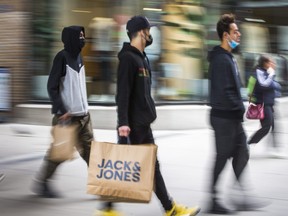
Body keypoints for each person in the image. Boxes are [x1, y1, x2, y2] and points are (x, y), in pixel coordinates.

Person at [95, 15, 201, 216]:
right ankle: (108, 210)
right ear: (141, 32)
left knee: (149, 167)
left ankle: (169, 209)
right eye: (148, 30)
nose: (151, 34)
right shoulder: (128, 59)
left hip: (143, 123)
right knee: (123, 168)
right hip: (132, 125)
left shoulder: (142, 58)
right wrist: (123, 123)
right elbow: (122, 94)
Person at [31, 26, 94, 198]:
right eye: (80, 36)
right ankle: (42, 182)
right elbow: (51, 87)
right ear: (71, 38)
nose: (83, 38)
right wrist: (62, 110)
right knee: (58, 155)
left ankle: (101, 183)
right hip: (67, 117)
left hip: (84, 116)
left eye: (83, 35)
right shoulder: (62, 58)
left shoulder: (79, 56)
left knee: (92, 154)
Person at [207, 14, 254, 214]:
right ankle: (213, 200)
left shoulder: (228, 58)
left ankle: (239, 196)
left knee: (242, 152)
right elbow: (222, 92)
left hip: (232, 117)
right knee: (222, 157)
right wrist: (239, 107)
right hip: (224, 118)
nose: (239, 34)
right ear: (226, 35)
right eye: (235, 31)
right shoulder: (220, 60)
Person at [247, 55, 282, 149]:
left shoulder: (264, 72)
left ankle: (274, 148)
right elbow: (264, 85)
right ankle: (248, 143)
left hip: (269, 104)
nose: (273, 64)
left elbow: (272, 85)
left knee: (273, 126)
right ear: (265, 63)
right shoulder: (259, 72)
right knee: (266, 127)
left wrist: (273, 82)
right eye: (271, 62)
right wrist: (271, 76)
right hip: (263, 104)